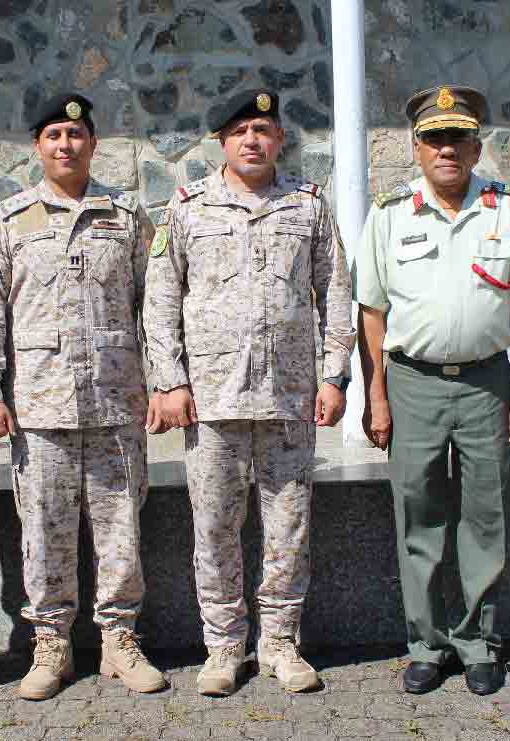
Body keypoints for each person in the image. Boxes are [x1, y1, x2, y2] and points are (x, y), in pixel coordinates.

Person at [144, 88, 355, 697]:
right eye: (239, 131)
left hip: (289, 398)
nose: (252, 140)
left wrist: (333, 374)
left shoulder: (307, 204)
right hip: (213, 401)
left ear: (280, 139)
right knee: (214, 528)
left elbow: (335, 292)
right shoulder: (188, 206)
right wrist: (170, 381)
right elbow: (161, 298)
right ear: (222, 142)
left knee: (288, 528)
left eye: (262, 129)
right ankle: (224, 646)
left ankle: (281, 643)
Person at [353, 85, 510, 696]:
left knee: (486, 517)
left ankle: (479, 643)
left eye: (458, 138)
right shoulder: (390, 215)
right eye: (434, 139)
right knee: (418, 518)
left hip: (486, 385)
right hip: (412, 383)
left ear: (476, 146)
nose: (446, 149)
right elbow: (371, 312)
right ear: (416, 148)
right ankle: (427, 644)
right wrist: (377, 396)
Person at [0, 93, 168, 700]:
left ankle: (119, 641)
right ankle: (50, 644)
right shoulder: (10, 219)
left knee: (120, 532)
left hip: (116, 404)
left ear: (93, 144)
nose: (65, 144)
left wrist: (163, 381)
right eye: (54, 134)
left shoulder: (126, 215)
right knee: (44, 532)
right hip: (40, 406)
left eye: (76, 134)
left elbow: (156, 304)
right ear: (37, 146)